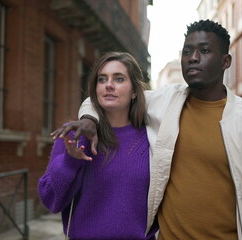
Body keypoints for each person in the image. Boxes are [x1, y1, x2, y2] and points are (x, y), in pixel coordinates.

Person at [51, 20, 242, 239]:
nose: (193, 58)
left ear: (226, 61)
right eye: (187, 52)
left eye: (204, 50)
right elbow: (105, 99)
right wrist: (90, 120)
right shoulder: (163, 102)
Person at [38, 52, 158, 239]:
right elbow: (50, 200)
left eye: (119, 79)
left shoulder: (152, 137)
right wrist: (70, 162)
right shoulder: (74, 135)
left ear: (134, 91)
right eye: (102, 79)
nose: (109, 85)